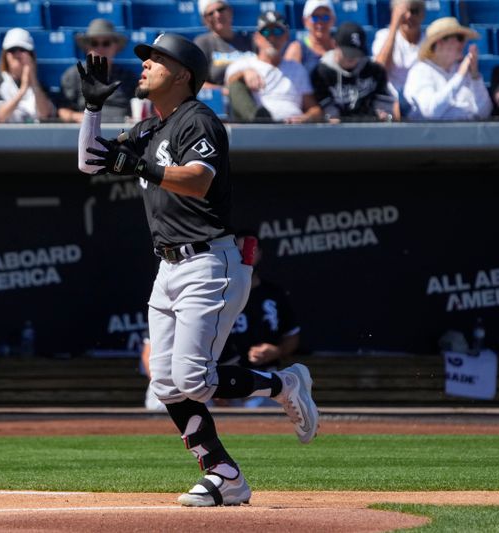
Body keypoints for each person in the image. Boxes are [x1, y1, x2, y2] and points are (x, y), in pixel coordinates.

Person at [76, 33, 319, 507]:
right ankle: (224, 474)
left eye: (156, 60)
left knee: (193, 381)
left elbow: (197, 179)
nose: (144, 66)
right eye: (145, 60)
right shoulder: (149, 126)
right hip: (167, 267)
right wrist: (91, 111)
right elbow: (89, 162)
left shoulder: (199, 120)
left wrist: (140, 165)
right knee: (165, 383)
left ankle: (283, 382)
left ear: (183, 73)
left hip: (209, 261)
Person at [222, 232, 300, 408]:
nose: (245, 254)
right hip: (222, 378)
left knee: (259, 404)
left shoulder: (273, 294)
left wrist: (277, 351)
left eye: (251, 249)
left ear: (260, 254)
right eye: (239, 250)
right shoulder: (218, 293)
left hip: (264, 378)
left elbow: (292, 336)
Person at [225, 11, 323, 123]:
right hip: (259, 128)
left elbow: (313, 108)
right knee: (237, 85)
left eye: (277, 31)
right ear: (257, 38)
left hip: (293, 127)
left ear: (286, 36)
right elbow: (229, 86)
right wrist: (244, 73)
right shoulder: (243, 64)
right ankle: (261, 121)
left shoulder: (297, 68)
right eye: (266, 32)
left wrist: (306, 118)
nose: (272, 38)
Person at [403, 17, 492, 121]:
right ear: (440, 42)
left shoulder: (461, 71)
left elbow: (484, 112)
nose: (463, 44)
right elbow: (429, 112)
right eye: (459, 38)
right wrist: (459, 77)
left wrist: (475, 76)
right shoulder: (420, 72)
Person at [311, 21, 396, 122]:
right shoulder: (322, 72)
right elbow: (324, 106)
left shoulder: (374, 70)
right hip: (337, 129)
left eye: (356, 53)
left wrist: (383, 112)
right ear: (335, 45)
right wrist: (332, 115)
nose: (352, 57)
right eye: (347, 52)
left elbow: (383, 100)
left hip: (370, 126)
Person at [58, 19, 138, 123]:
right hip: (87, 130)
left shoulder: (128, 77)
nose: (100, 48)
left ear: (115, 47)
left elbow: (139, 107)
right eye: (94, 43)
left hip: (121, 133)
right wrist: (76, 116)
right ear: (87, 47)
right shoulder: (74, 75)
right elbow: (62, 110)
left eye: (106, 43)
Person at [0, 28, 55, 124]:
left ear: (31, 55)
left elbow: (45, 115)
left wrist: (33, 81)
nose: (17, 54)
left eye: (23, 50)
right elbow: (0, 117)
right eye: (12, 50)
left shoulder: (41, 86)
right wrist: (22, 90)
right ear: (5, 56)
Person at [372, 0, 425, 114]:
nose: (409, 16)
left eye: (414, 11)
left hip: (422, 103)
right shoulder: (383, 36)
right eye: (404, 12)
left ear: (423, 14)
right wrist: (394, 25)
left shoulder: (430, 40)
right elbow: (378, 72)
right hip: (391, 103)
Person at [193, 0, 254, 89]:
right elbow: (197, 83)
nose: (217, 15)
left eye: (221, 9)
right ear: (205, 20)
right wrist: (224, 92)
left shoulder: (248, 40)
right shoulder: (203, 43)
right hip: (221, 98)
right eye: (210, 13)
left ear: (230, 11)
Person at [284, 0, 336, 74]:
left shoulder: (340, 47)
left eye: (325, 17)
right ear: (305, 21)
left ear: (333, 19)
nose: (320, 22)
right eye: (315, 18)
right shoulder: (297, 50)